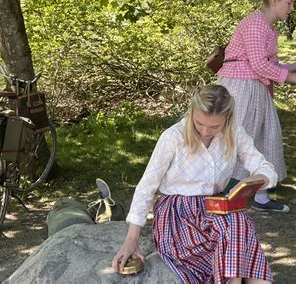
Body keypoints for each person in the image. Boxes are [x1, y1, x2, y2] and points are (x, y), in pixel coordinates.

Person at [113, 85, 277, 283]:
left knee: (238, 222)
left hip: (215, 208)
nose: (206, 131)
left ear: (228, 118)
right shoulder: (173, 137)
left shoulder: (235, 133)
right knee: (234, 226)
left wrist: (257, 179)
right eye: (199, 123)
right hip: (177, 212)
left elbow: (265, 167)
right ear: (191, 113)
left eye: (215, 126)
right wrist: (131, 240)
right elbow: (146, 186)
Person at [217, 0, 296, 212]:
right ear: (274, 1)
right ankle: (218, 191)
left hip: (256, 87)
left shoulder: (268, 27)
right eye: (289, 3)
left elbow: (269, 65)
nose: (292, 8)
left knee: (264, 137)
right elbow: (259, 64)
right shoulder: (255, 23)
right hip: (240, 87)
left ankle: (260, 197)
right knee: (238, 136)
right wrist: (291, 78)